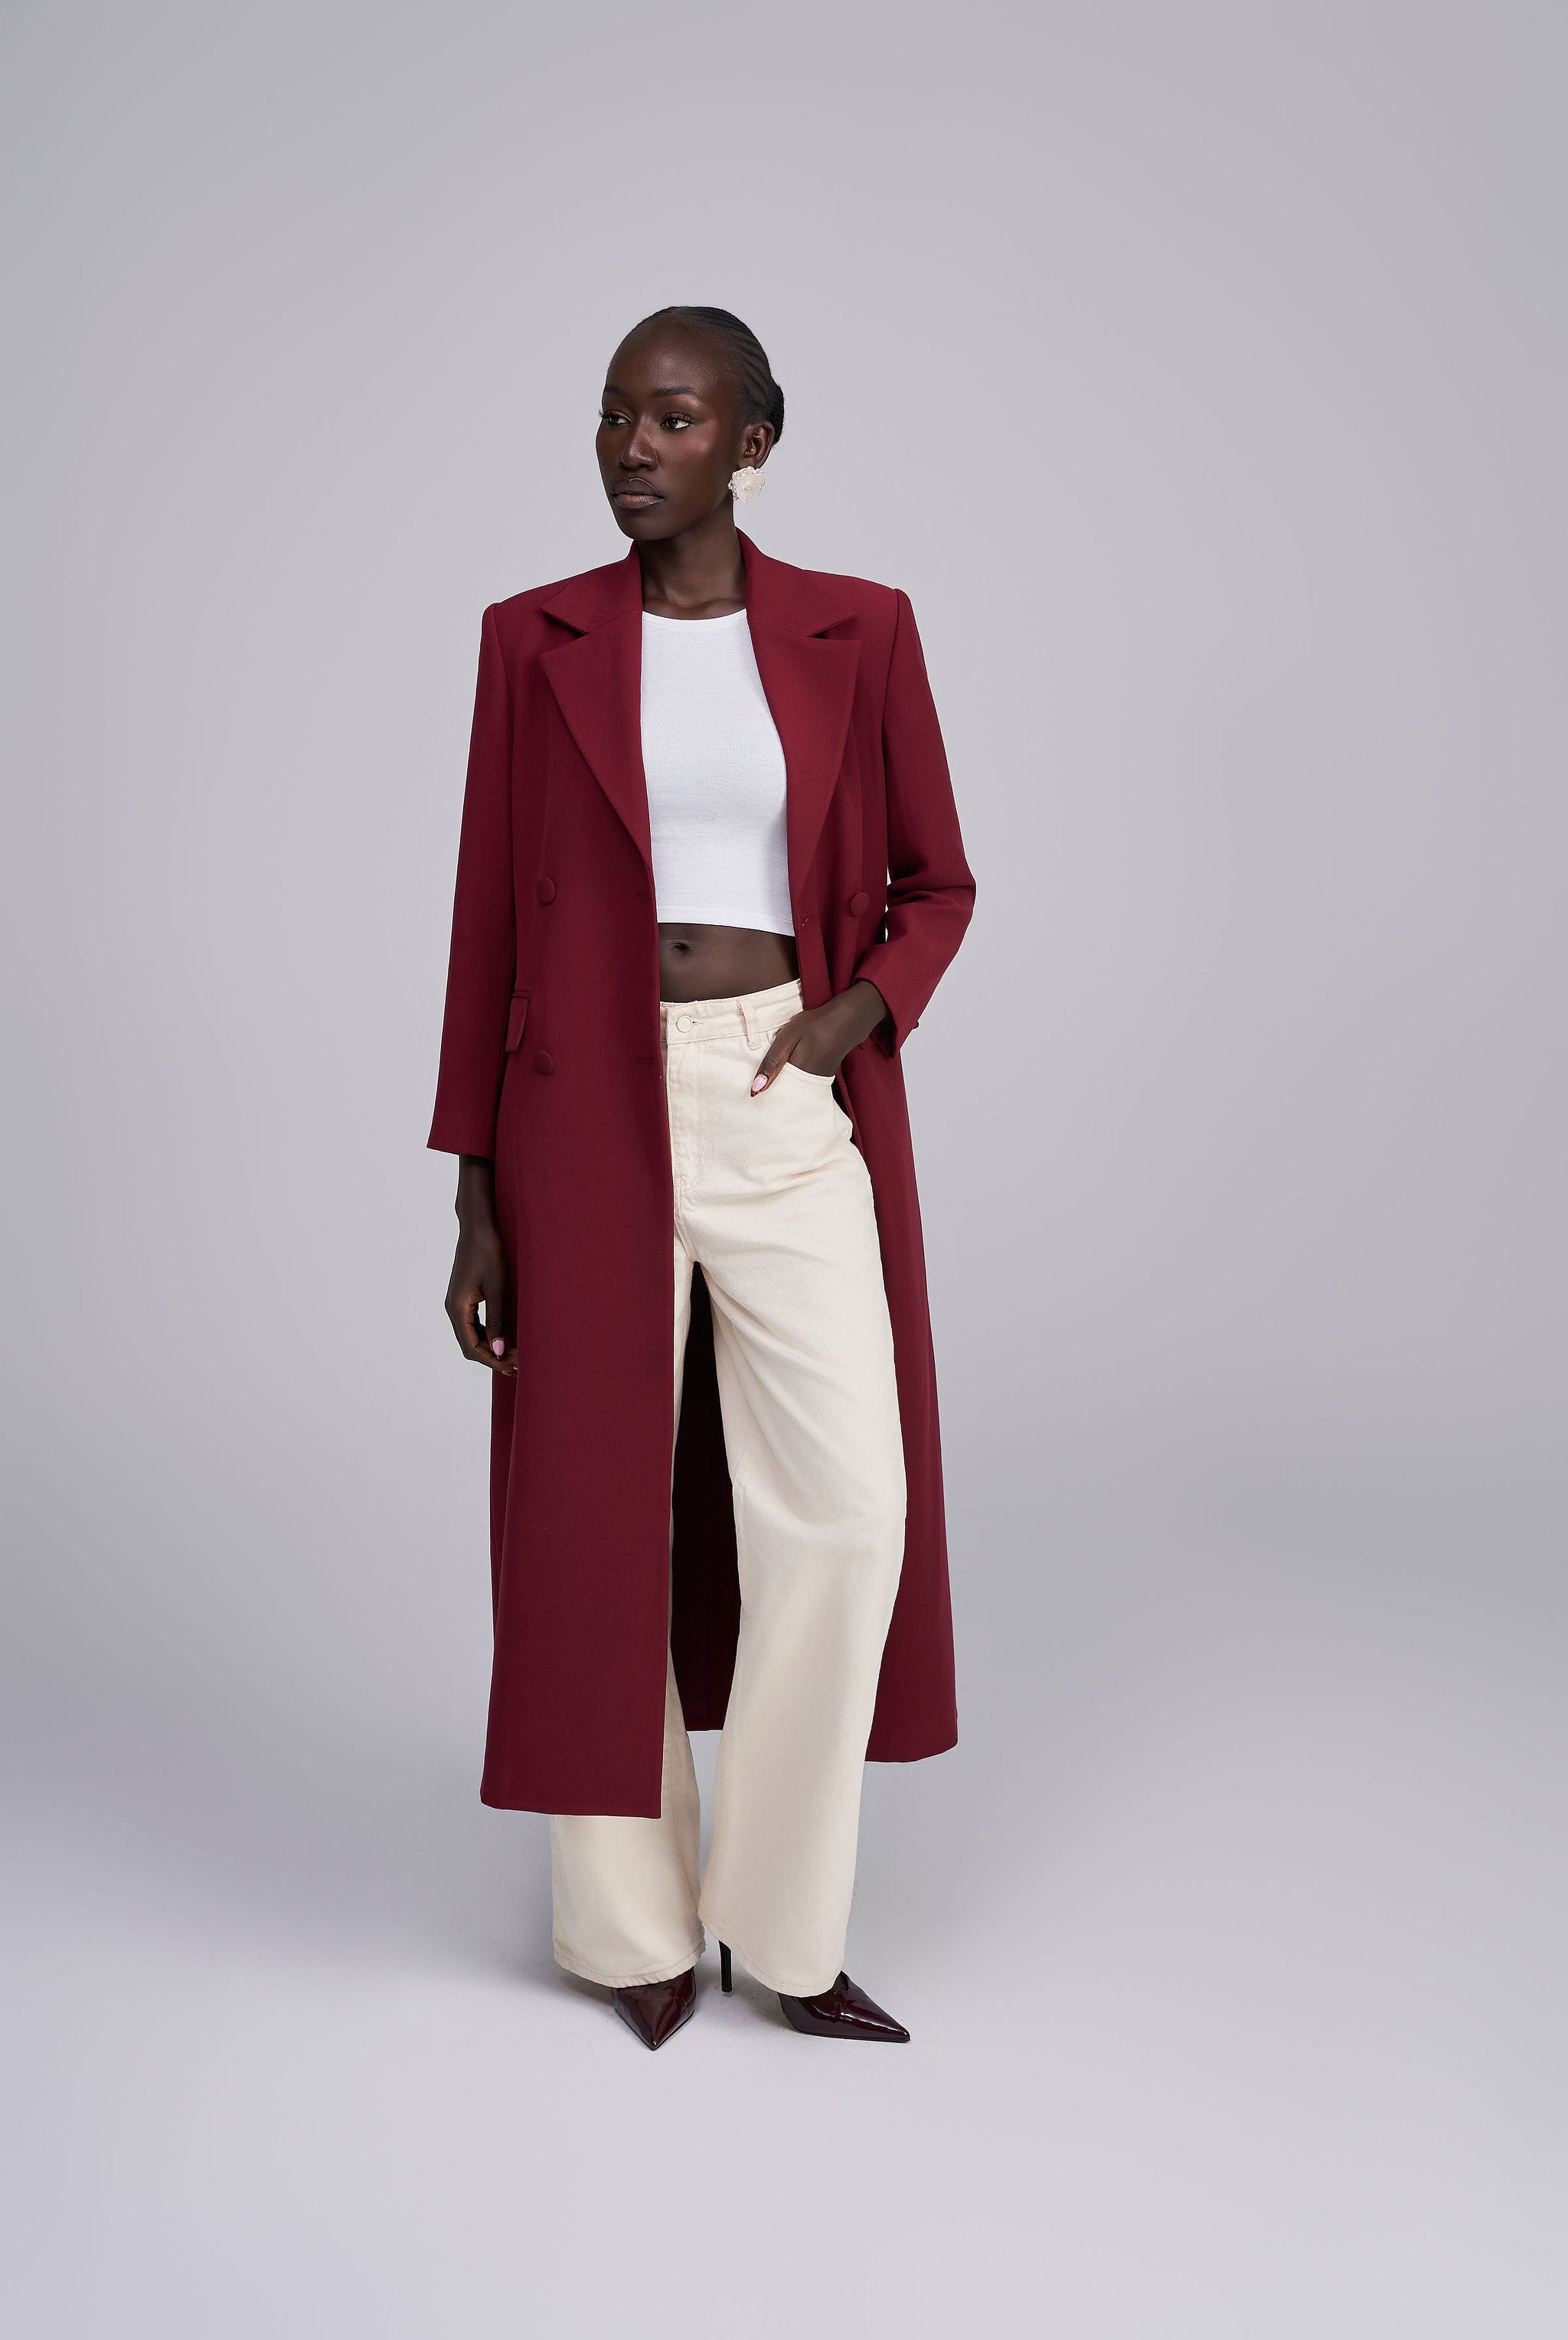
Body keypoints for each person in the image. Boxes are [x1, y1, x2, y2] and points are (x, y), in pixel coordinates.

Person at [429, 306, 975, 2049]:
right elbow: (483, 922)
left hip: (772, 1087)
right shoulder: (533, 640)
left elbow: (937, 883)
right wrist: (474, 1194)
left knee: (850, 1507)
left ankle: (786, 1930)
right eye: (613, 416)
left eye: (672, 418)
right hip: (580, 1107)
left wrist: (848, 1018)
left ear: (753, 443)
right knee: (592, 1518)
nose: (631, 448)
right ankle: (631, 1934)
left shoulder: (857, 628)